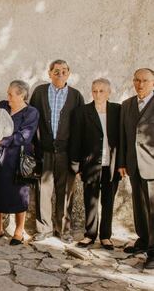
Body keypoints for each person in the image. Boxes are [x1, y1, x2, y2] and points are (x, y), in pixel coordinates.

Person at [30, 59, 84, 243]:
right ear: (49, 73)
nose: (60, 73)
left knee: (66, 191)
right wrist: (33, 148)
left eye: (64, 70)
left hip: (66, 152)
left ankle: (63, 230)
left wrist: (78, 157)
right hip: (44, 151)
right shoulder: (39, 92)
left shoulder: (76, 96)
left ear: (69, 73)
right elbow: (32, 120)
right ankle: (44, 229)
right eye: (56, 71)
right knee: (43, 190)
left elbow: (80, 127)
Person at [0, 80, 39, 245]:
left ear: (21, 95)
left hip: (18, 158)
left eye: (11, 94)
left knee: (19, 194)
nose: (7, 96)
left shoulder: (31, 112)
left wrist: (1, 140)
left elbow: (25, 136)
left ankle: (18, 230)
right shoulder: (3, 105)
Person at [70, 78, 120, 250]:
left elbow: (122, 140)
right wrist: (76, 166)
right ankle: (90, 235)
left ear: (109, 92)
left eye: (101, 91)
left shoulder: (117, 110)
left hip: (111, 165)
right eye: (94, 90)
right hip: (90, 165)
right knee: (90, 200)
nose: (98, 94)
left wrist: (122, 164)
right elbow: (76, 140)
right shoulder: (82, 112)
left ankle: (106, 236)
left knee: (108, 201)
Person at [118, 68, 154, 269]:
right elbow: (124, 136)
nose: (140, 84)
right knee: (139, 206)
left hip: (152, 164)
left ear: (153, 83)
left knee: (153, 210)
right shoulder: (127, 105)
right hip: (134, 164)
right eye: (137, 80)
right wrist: (123, 162)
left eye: (145, 81)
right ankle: (143, 240)